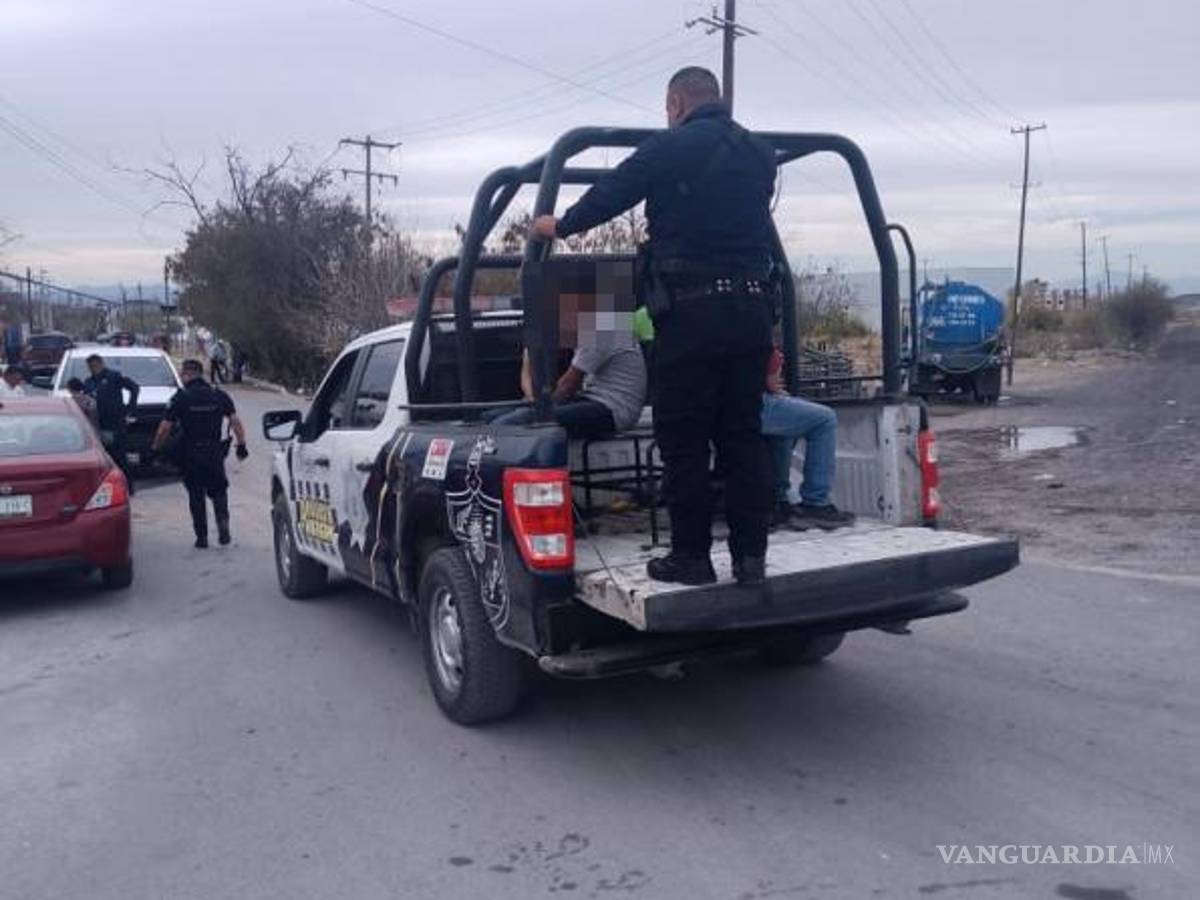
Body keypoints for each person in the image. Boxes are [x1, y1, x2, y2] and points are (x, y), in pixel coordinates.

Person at [532, 66, 777, 586]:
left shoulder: (673, 147)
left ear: (675, 103)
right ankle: (750, 558)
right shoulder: (759, 154)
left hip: (693, 316)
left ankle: (691, 558)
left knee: (684, 439)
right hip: (753, 312)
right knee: (742, 438)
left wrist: (560, 226)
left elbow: (615, 190)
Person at [151, 358, 248, 548]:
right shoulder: (219, 395)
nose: (181, 377)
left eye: (182, 374)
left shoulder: (181, 397)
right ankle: (223, 523)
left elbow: (165, 428)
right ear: (201, 373)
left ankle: (202, 537)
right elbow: (235, 421)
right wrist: (242, 445)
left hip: (191, 452)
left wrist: (157, 449)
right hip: (214, 451)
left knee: (196, 494)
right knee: (219, 489)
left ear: (187, 374)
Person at [761, 349, 855, 530]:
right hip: (747, 405)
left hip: (712, 406)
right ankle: (815, 502)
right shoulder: (751, 327)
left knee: (785, 427)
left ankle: (778, 500)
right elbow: (771, 375)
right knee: (824, 418)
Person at [488, 345, 645, 439]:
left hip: (613, 408)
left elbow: (568, 384)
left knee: (519, 419)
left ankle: (488, 474)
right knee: (490, 416)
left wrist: (536, 406)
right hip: (590, 399)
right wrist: (530, 353)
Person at [83, 354, 140, 490]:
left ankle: (128, 487)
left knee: (119, 456)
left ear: (101, 364)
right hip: (97, 424)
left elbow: (134, 388)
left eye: (95, 365)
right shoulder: (88, 382)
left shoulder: (114, 376)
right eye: (90, 367)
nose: (93, 369)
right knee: (102, 458)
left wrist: (129, 409)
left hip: (115, 423)